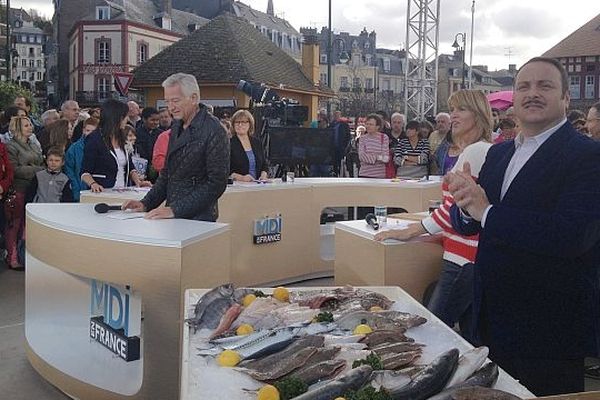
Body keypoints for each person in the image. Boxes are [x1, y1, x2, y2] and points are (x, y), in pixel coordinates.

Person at [446, 57, 600, 396]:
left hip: (549, 329)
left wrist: (485, 211)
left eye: (545, 86)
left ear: (566, 99)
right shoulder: (499, 155)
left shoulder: (588, 156)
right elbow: (471, 224)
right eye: (524, 86)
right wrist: (466, 205)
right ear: (513, 98)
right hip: (489, 320)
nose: (532, 93)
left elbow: (573, 235)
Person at [376, 89, 493, 339]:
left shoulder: (475, 152)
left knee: (428, 331)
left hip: (463, 260)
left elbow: (456, 208)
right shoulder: (477, 150)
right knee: (471, 335)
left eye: (461, 109)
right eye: (452, 110)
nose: (454, 116)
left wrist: (412, 230)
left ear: (478, 114)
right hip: (468, 258)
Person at [122, 73, 229, 221]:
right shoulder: (177, 125)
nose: (170, 107)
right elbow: (167, 174)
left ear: (194, 98)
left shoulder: (215, 130)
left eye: (175, 100)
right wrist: (146, 203)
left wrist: (175, 210)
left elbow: (216, 184)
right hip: (174, 215)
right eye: (167, 101)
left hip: (199, 220)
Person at [81, 99, 151, 192]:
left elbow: (129, 165)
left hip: (123, 191)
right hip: (103, 193)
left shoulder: (122, 137)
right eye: (125, 116)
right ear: (116, 117)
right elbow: (84, 172)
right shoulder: (94, 139)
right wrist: (93, 184)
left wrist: (138, 181)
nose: (127, 119)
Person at [5, 116, 44, 270]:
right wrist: (36, 169)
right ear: (18, 128)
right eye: (26, 125)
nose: (30, 127)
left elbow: (40, 161)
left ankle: (23, 256)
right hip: (18, 189)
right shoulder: (11, 146)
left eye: (30, 124)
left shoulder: (33, 144)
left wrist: (30, 166)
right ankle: (12, 257)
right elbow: (15, 169)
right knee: (14, 224)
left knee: (25, 225)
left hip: (33, 188)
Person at [65, 117, 98, 202]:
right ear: (83, 130)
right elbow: (69, 170)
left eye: (93, 131)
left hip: (98, 188)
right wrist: (76, 188)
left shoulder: (103, 148)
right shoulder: (74, 148)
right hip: (79, 189)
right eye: (87, 130)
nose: (90, 134)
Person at [229, 109, 268, 182]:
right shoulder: (229, 143)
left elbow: (264, 164)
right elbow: (225, 169)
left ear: (250, 124)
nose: (240, 125)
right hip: (238, 186)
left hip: (258, 185)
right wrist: (242, 178)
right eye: (237, 122)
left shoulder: (257, 143)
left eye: (243, 122)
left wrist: (263, 175)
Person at [357, 114, 389, 178]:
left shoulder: (384, 137)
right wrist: (377, 157)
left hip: (379, 175)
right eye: (367, 124)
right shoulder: (362, 138)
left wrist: (370, 157)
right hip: (364, 174)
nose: (368, 126)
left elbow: (386, 158)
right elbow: (361, 156)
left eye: (371, 124)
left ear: (377, 127)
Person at [330, 111, 351, 177]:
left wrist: (345, 146)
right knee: (334, 162)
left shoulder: (344, 125)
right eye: (335, 115)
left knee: (341, 163)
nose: (336, 116)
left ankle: (341, 175)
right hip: (332, 147)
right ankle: (335, 174)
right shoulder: (331, 124)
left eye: (337, 115)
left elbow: (348, 136)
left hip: (341, 147)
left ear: (340, 116)